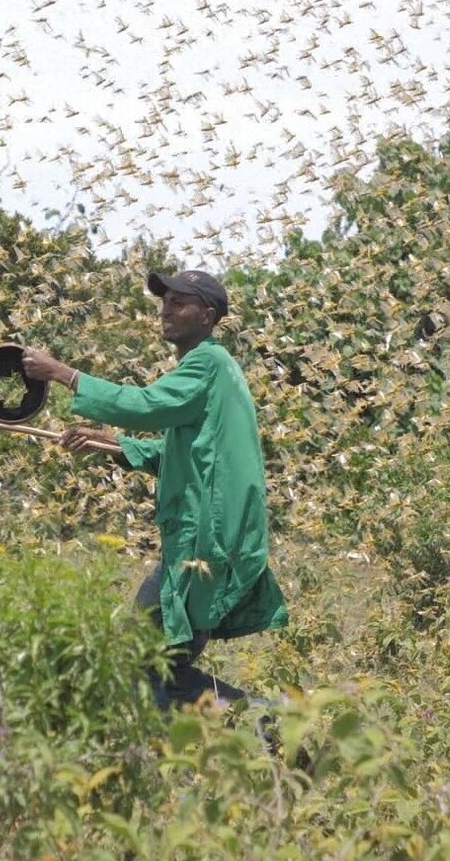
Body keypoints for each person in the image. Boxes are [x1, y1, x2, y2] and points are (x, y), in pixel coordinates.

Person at [22, 268, 288, 711]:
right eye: (164, 300)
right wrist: (109, 445)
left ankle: (251, 729)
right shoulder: (210, 370)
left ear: (206, 316)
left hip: (203, 542)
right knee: (161, 666)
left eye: (179, 302)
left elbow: (147, 406)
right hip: (204, 542)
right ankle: (263, 726)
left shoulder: (208, 363)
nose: (166, 308)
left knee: (137, 658)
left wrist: (64, 374)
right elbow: (182, 456)